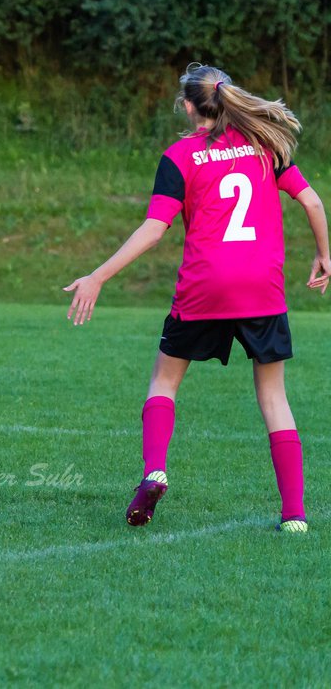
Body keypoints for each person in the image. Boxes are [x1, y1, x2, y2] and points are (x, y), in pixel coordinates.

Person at [65, 64, 328, 533]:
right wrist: (325, 256)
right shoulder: (267, 147)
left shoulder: (180, 156)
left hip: (204, 287)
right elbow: (311, 202)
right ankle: (294, 515)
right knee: (274, 396)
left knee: (164, 382)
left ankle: (154, 471)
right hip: (261, 290)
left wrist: (98, 275)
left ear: (189, 106)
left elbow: (153, 228)